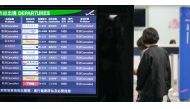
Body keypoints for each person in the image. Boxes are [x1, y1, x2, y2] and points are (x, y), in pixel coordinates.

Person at [136, 27, 171, 102]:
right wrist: (166, 89)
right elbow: (168, 72)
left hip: (148, 94)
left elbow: (142, 73)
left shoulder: (147, 53)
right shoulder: (164, 51)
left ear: (144, 39)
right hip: (162, 93)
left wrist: (138, 88)